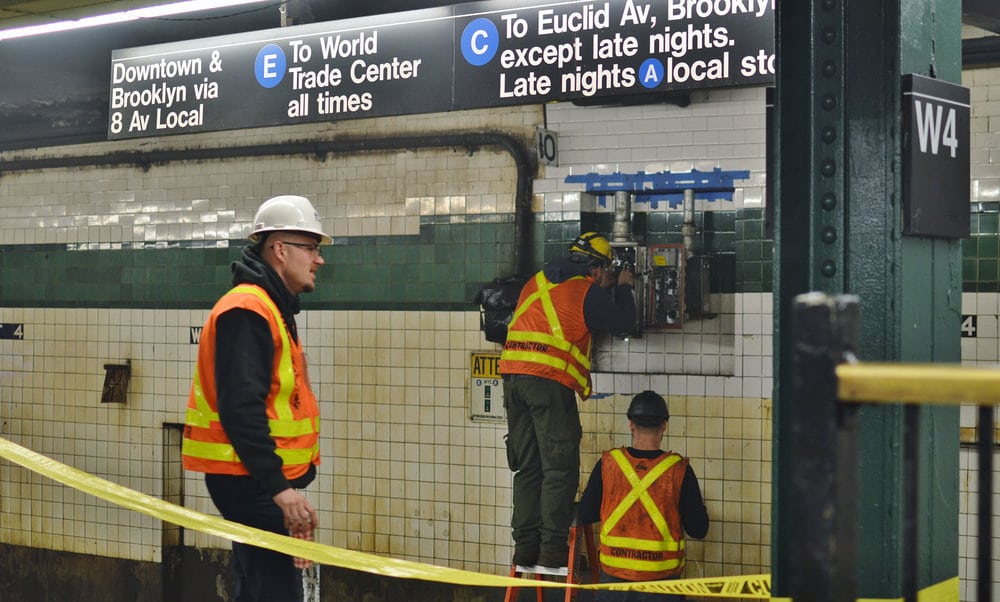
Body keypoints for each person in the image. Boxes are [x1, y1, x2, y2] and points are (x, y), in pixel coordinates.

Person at [181, 195, 330, 602]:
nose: (318, 259)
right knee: (275, 592)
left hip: (256, 480)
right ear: (280, 250)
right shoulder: (249, 309)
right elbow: (241, 409)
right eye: (311, 248)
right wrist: (280, 490)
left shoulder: (272, 307)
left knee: (260, 586)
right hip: (250, 482)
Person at [499, 231, 636, 571]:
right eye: (606, 272)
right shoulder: (586, 291)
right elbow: (625, 322)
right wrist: (625, 286)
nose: (605, 279)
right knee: (559, 468)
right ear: (597, 268)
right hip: (547, 383)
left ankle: (525, 550)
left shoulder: (538, 281)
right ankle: (552, 553)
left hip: (513, 378)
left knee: (527, 466)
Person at [578, 390, 709, 601]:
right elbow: (699, 529)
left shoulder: (608, 464)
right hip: (662, 587)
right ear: (664, 425)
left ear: (631, 424)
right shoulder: (678, 471)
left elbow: (585, 514)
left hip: (613, 585)